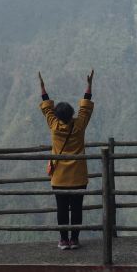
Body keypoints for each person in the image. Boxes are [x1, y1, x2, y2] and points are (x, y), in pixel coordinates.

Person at [39, 70, 94, 250]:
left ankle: (63, 240)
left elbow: (47, 108)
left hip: (60, 177)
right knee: (77, 208)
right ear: (72, 114)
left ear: (57, 116)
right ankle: (75, 240)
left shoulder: (54, 126)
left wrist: (43, 88)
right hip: (78, 176)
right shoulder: (79, 126)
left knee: (61, 209)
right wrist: (89, 85)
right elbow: (85, 108)